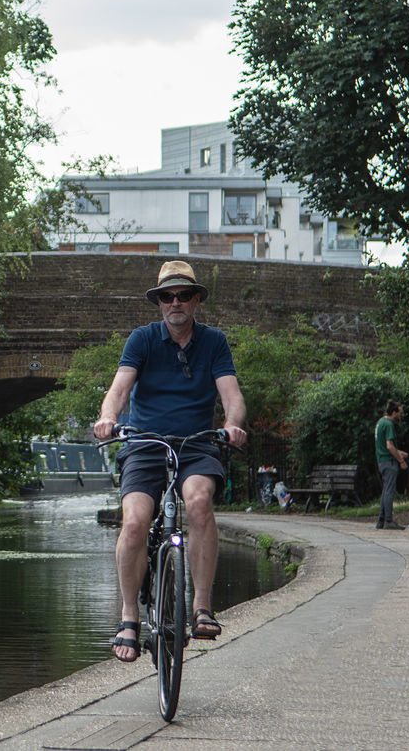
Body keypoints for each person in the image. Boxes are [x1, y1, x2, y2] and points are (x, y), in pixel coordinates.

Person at [93, 261, 247, 662]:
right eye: (167, 296)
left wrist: (232, 425)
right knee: (134, 522)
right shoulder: (142, 340)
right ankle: (129, 615)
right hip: (144, 444)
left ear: (196, 299)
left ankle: (201, 604)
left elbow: (231, 395)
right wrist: (109, 417)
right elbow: (119, 388)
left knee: (198, 503)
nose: (175, 302)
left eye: (183, 295)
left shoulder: (214, 342)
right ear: (159, 302)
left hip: (196, 444)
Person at [374, 401, 409, 529]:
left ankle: (381, 521)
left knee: (385, 490)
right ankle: (389, 521)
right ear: (394, 412)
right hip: (389, 462)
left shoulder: (380, 422)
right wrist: (401, 460)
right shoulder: (389, 424)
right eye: (400, 413)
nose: (401, 415)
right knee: (389, 491)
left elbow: (384, 445)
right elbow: (389, 446)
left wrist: (398, 452)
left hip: (382, 460)